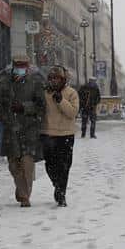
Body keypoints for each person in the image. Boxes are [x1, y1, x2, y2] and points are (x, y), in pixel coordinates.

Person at [0, 55, 46, 207]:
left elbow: (41, 106)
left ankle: (24, 196)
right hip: (11, 129)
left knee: (27, 164)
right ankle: (22, 189)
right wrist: (6, 116)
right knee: (14, 165)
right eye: (18, 65)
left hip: (29, 129)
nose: (20, 69)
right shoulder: (4, 82)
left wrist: (24, 107)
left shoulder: (35, 81)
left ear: (28, 66)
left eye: (23, 66)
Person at [42, 66, 79, 207]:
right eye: (51, 78)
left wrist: (60, 101)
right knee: (50, 165)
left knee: (64, 166)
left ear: (63, 79)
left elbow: (72, 113)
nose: (54, 81)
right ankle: (57, 185)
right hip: (48, 134)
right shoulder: (45, 93)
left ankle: (61, 193)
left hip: (66, 134)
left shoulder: (71, 93)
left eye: (57, 78)